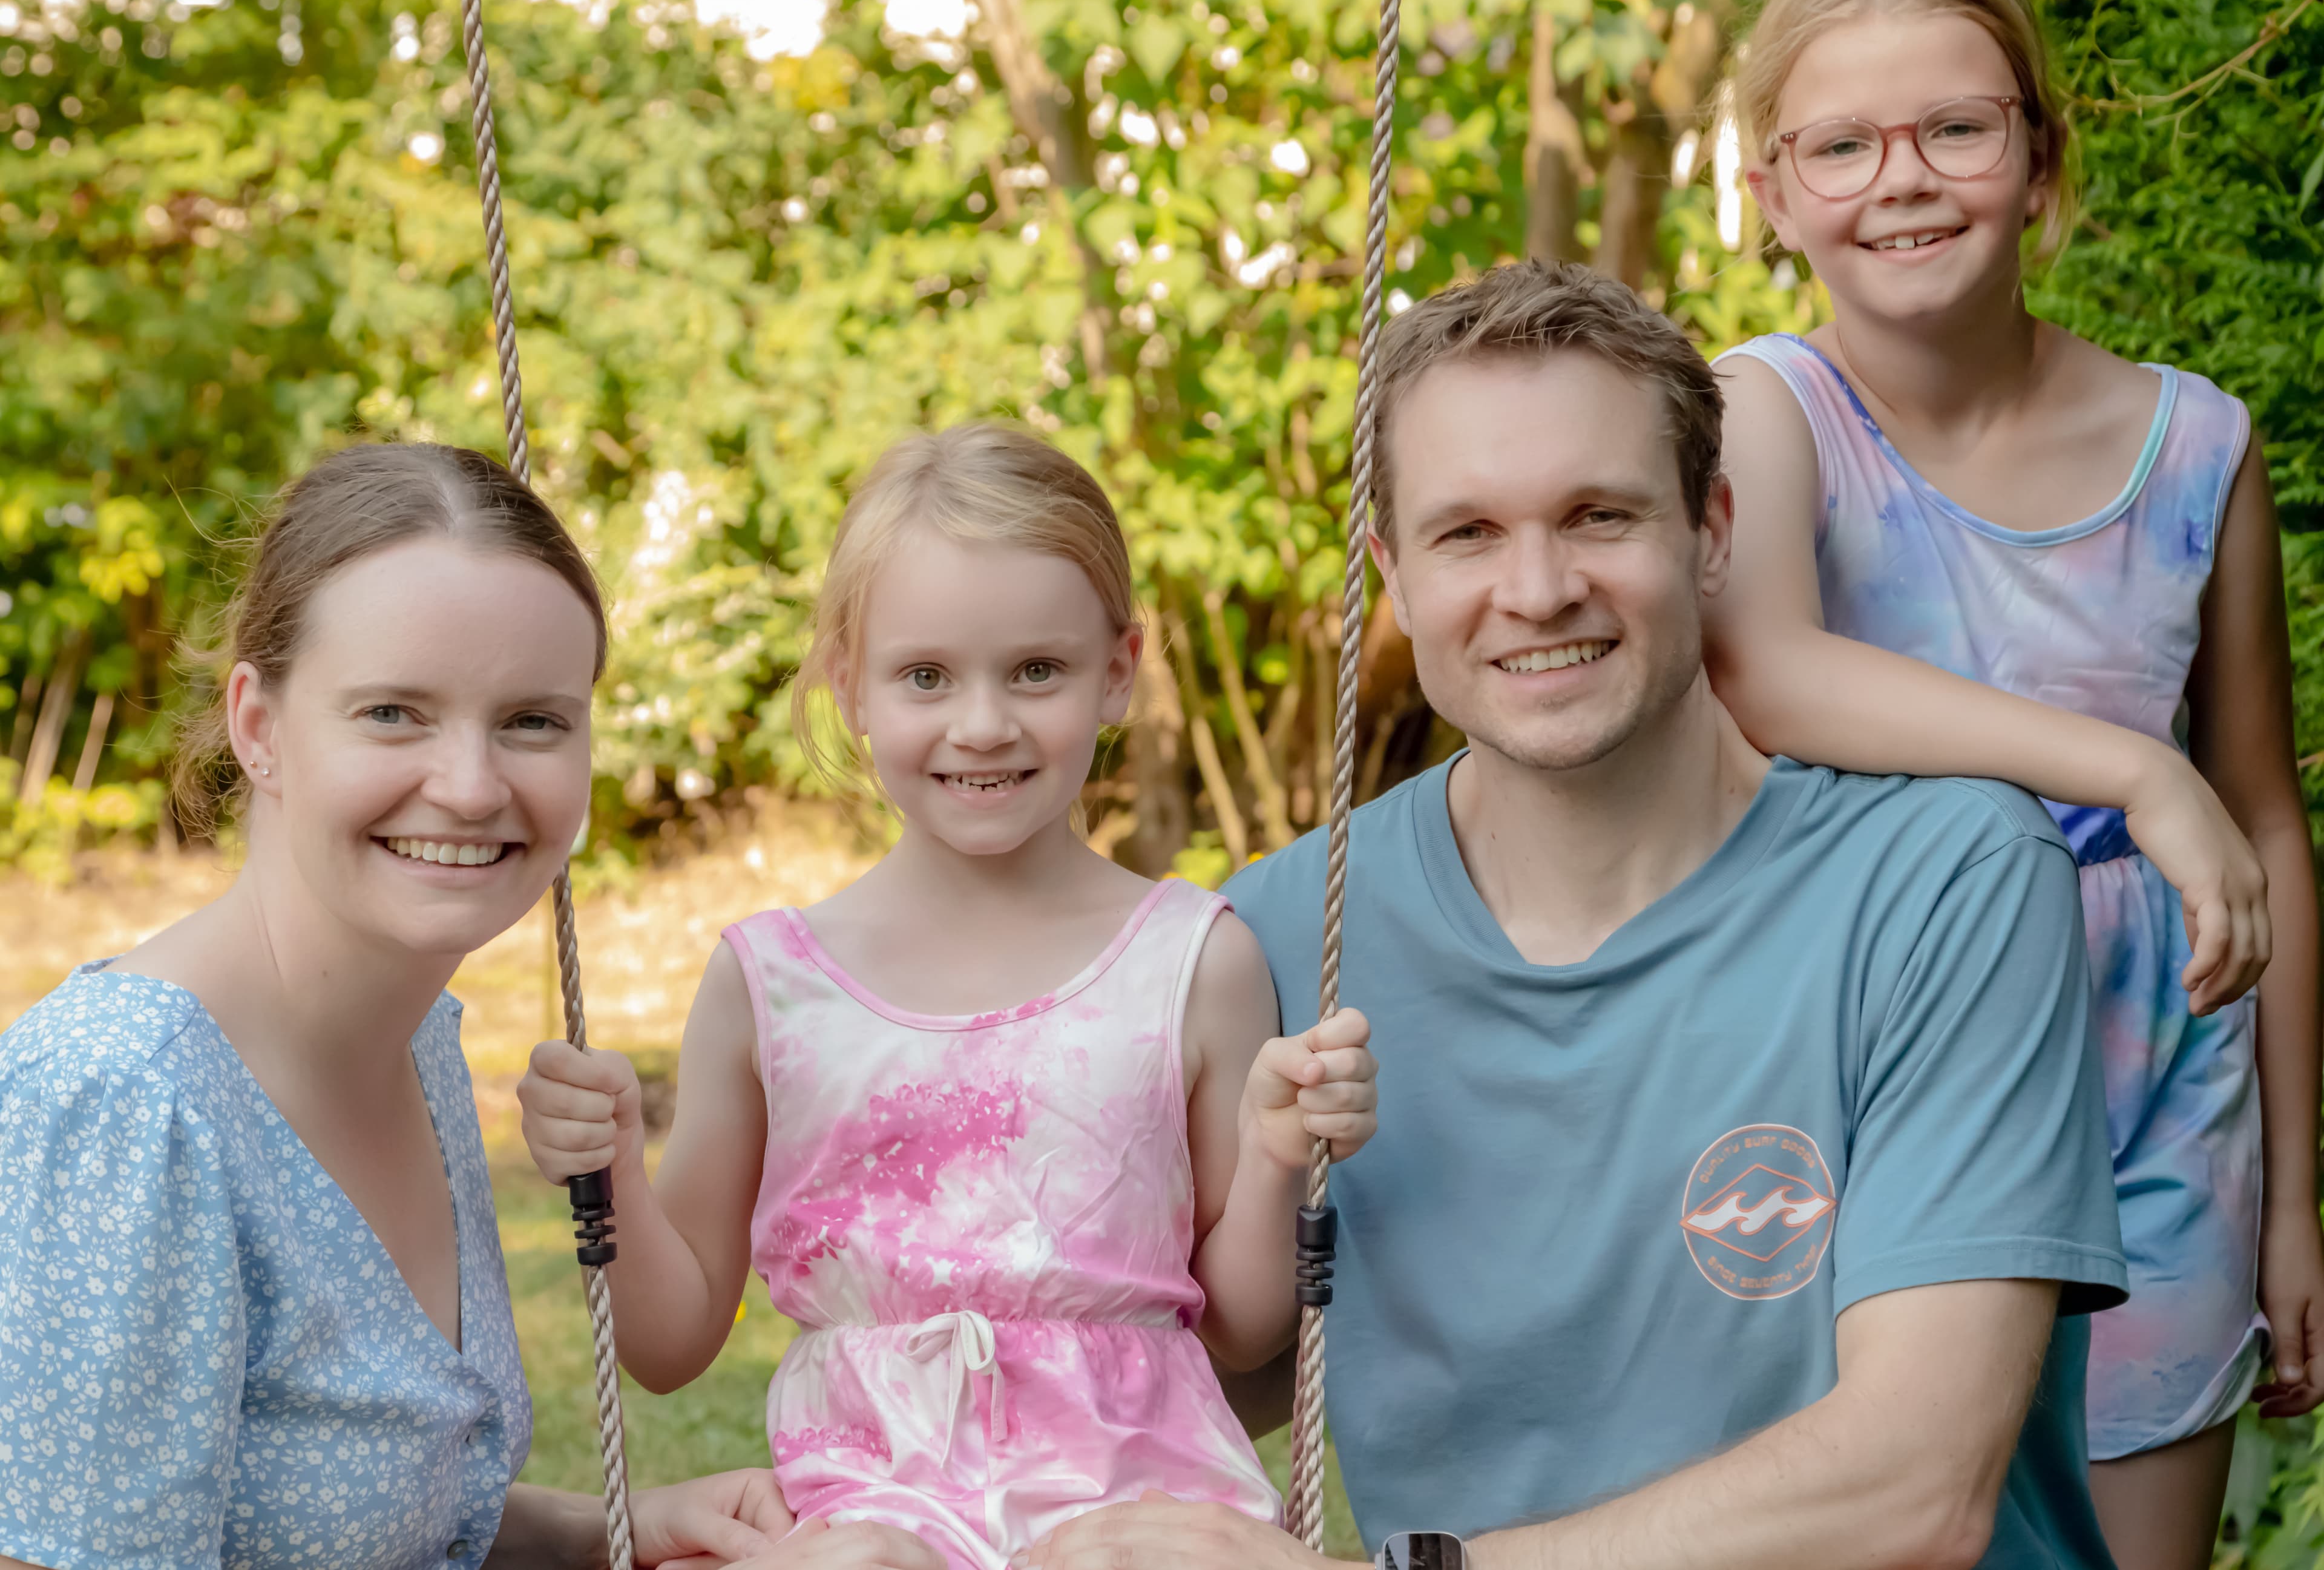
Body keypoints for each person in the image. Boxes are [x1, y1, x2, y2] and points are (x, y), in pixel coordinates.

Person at [1023, 260, 2126, 1570]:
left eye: (1598, 515)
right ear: (1391, 569)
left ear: (1711, 527)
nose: (1537, 588)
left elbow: (1914, 1486)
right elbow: (1173, 1369)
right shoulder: (1271, 938)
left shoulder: (1945, 880)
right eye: (1467, 533)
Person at [0, 444, 927, 1570]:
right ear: (259, 723)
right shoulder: (126, 1101)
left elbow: (392, 1531)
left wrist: (621, 1531)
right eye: (393, 711)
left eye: (532, 721)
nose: (474, 785)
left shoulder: (418, 1043)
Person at [1705, 0, 2322, 1570]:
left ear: (2039, 154)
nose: (1900, 180)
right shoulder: (1762, 413)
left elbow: (2263, 818)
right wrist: (2131, 764)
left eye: (1955, 128)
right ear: (1772, 191)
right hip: (1879, 1085)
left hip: (2159, 1108)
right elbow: (1770, 669)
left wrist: (2292, 1207)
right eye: (1841, 143)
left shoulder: (2195, 445)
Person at [515, 424, 1380, 1570]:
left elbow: (1243, 1322)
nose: (983, 722)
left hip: (1135, 1500)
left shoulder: (1190, 958)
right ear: (848, 686)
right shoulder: (772, 982)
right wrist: (612, 1167)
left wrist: (1277, 1153)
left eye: (1037, 669)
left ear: (1118, 670)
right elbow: (672, 1343)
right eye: (926, 675)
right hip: (864, 1504)